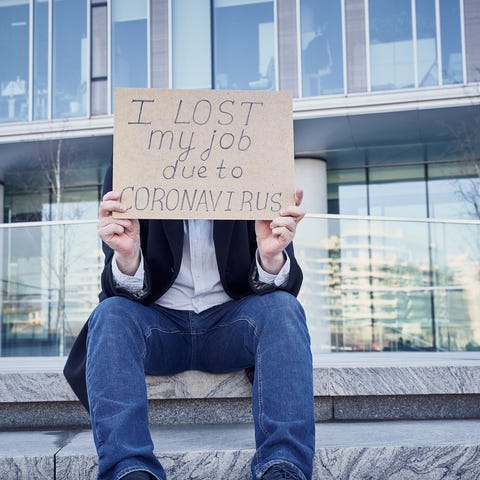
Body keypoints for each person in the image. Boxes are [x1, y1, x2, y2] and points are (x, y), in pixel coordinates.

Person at [64, 165, 315, 480]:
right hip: (158, 323)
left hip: (232, 323)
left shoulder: (254, 158)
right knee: (109, 314)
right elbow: (114, 289)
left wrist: (269, 258)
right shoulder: (131, 161)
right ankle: (129, 470)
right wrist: (128, 260)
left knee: (283, 308)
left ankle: (284, 467)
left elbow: (283, 288)